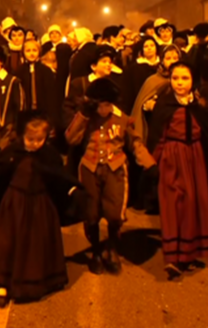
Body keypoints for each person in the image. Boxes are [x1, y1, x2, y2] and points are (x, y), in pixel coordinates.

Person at [0, 113, 83, 307]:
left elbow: (58, 176)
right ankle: (3, 283)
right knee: (8, 242)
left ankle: (40, 281)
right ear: (22, 136)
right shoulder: (13, 152)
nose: (35, 144)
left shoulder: (48, 155)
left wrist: (72, 189)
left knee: (37, 244)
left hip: (40, 205)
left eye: (39, 140)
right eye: (31, 139)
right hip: (15, 203)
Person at [65, 79, 155, 275]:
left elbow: (135, 141)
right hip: (90, 168)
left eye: (107, 105)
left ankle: (112, 247)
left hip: (115, 168)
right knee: (91, 213)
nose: (103, 110)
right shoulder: (87, 118)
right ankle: (96, 251)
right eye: (99, 105)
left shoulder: (121, 118)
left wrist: (149, 163)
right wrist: (83, 115)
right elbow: (71, 138)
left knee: (115, 213)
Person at [147, 63, 208, 278]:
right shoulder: (164, 105)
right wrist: (152, 163)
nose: (179, 82)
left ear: (193, 80)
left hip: (195, 157)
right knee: (173, 203)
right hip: (171, 156)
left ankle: (188, 254)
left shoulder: (199, 106)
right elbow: (157, 135)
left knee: (193, 203)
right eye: (175, 78)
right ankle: (172, 257)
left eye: (184, 78)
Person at [15, 39, 61, 129]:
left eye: (34, 50)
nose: (31, 53)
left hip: (43, 111)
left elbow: (51, 94)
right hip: (25, 112)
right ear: (23, 53)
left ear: (39, 52)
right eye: (28, 51)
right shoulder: (19, 71)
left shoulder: (46, 71)